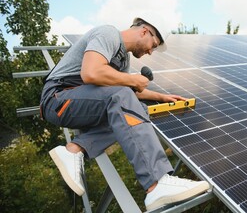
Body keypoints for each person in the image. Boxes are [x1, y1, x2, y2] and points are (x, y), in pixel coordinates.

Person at [40, 16, 210, 211]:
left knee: (135, 111)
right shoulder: (108, 34)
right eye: (153, 45)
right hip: (58, 98)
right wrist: (131, 81)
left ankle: (74, 149)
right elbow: (91, 73)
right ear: (145, 31)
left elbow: (128, 91)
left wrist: (162, 97)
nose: (151, 51)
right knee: (123, 96)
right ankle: (156, 183)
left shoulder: (122, 60)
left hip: (79, 102)